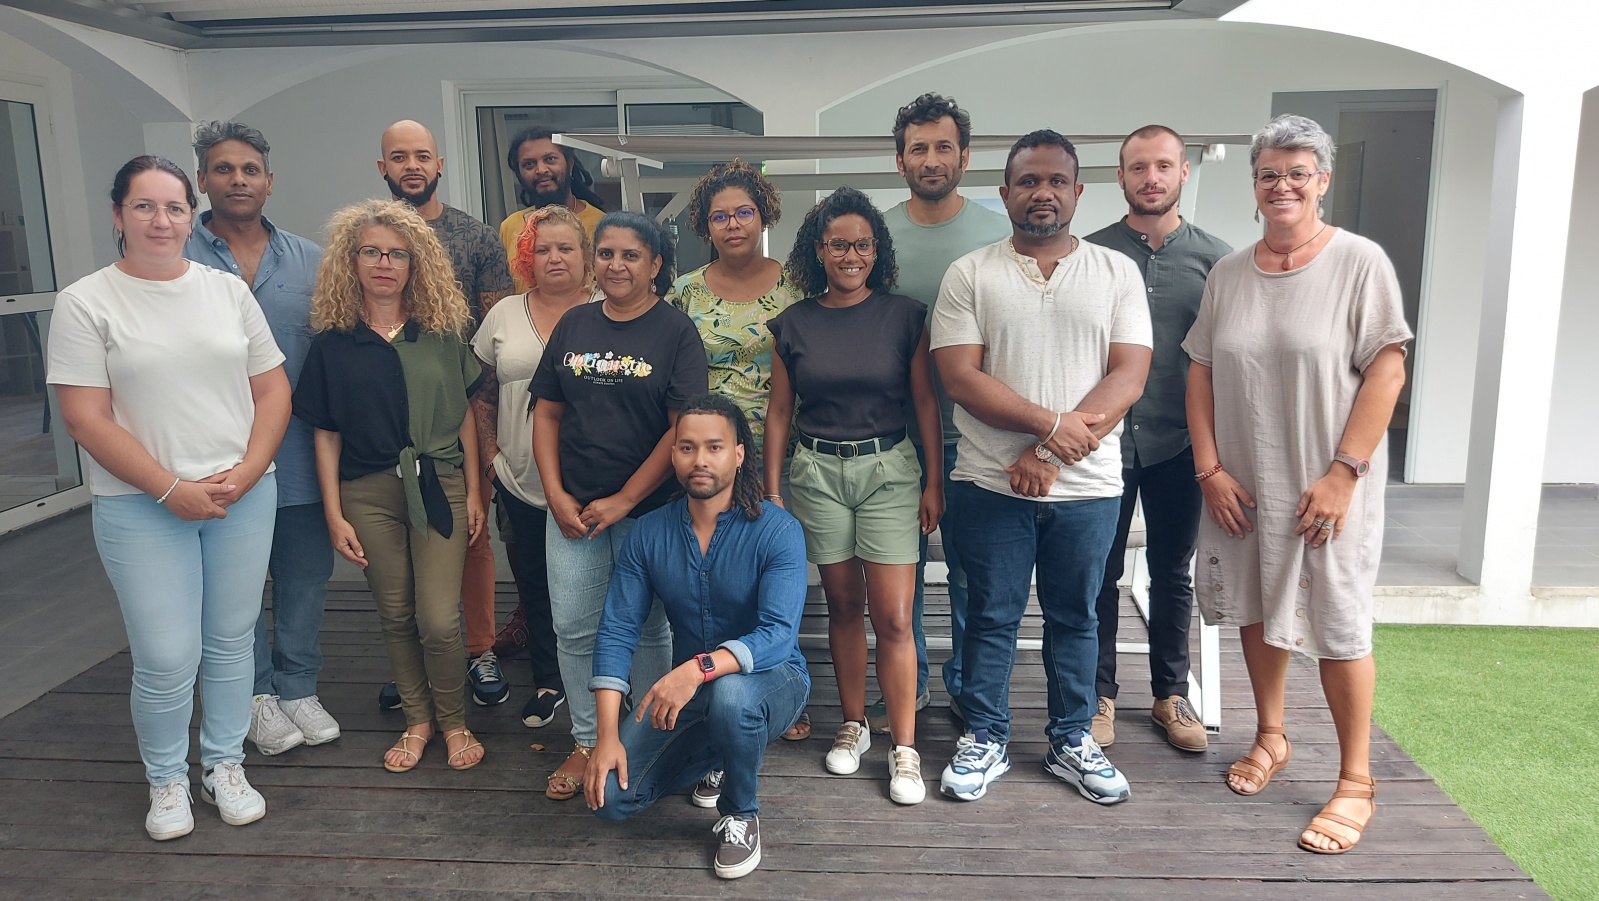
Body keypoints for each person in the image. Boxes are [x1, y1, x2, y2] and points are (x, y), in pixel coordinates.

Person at [1183, 114, 1410, 854]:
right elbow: (1200, 370)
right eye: (1268, 174)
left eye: (1297, 173)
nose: (1281, 185)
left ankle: (1355, 780)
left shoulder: (1358, 262)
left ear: (1322, 180)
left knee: (1338, 623)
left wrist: (1344, 473)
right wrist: (1209, 469)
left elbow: (1387, 369)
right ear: (1254, 184)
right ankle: (1271, 735)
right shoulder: (1228, 273)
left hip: (1327, 482)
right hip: (1243, 481)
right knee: (1253, 602)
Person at [48, 155, 290, 841]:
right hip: (141, 505)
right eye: (144, 206)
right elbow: (85, 417)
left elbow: (273, 389)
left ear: (192, 216)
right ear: (118, 215)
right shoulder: (86, 301)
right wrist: (169, 487)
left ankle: (224, 764)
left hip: (240, 495)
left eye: (175, 207)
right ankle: (166, 777)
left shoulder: (226, 292)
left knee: (231, 640)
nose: (161, 220)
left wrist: (249, 470)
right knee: (165, 655)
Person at [932, 130, 1152, 806]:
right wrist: (1050, 426)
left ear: (1078, 192)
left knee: (1076, 616)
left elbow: (1129, 375)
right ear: (1004, 194)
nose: (1042, 193)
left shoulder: (1116, 272)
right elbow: (960, 378)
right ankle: (986, 736)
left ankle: (1071, 739)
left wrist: (1049, 450)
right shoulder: (970, 273)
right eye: (1028, 181)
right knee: (990, 615)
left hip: (1088, 489)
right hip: (989, 482)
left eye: (1056, 181)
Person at [293, 199, 488, 774]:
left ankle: (454, 720)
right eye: (372, 252)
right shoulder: (333, 343)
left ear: (415, 263)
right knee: (396, 613)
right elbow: (325, 433)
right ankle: (418, 720)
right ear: (350, 261)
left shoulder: (442, 333)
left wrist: (475, 491)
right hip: (367, 491)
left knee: (439, 618)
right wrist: (334, 513)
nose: (385, 264)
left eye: (398, 254)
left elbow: (465, 417)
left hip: (440, 484)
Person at [765, 186, 943, 805]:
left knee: (894, 616)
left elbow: (925, 402)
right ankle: (853, 723)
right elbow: (780, 411)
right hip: (817, 472)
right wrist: (772, 490)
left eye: (863, 245)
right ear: (819, 250)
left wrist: (934, 481)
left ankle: (905, 748)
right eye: (839, 244)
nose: (851, 255)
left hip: (889, 471)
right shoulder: (793, 323)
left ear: (877, 251)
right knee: (842, 606)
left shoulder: (905, 316)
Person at [584, 393, 809, 880]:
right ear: (673, 455)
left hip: (773, 680)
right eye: (687, 448)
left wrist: (698, 668)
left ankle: (740, 812)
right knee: (611, 799)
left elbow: (777, 634)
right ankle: (723, 751)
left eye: (714, 447)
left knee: (732, 698)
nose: (700, 460)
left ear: (739, 453)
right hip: (693, 692)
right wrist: (606, 737)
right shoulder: (649, 533)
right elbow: (618, 629)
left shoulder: (778, 530)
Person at [530, 211, 708, 801]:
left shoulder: (676, 332)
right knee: (574, 627)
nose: (616, 265)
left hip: (649, 511)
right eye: (606, 253)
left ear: (656, 265)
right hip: (573, 512)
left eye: (631, 255)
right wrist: (555, 494)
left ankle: (647, 739)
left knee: (650, 628)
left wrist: (625, 499)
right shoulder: (575, 323)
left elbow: (680, 427)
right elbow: (547, 412)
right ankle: (587, 742)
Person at [185, 120, 339, 758]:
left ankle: (298, 687)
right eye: (223, 169)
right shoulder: (178, 259)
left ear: (270, 182)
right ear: (202, 180)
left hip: (300, 455)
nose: (238, 180)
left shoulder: (311, 260)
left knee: (304, 578)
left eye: (250, 170)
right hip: (212, 456)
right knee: (234, 587)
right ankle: (254, 696)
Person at [1084, 125, 1231, 753]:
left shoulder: (1218, 262)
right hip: (1103, 444)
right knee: (1099, 572)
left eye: (1163, 166)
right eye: (1138, 167)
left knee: (1173, 571)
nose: (1151, 178)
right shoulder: (1089, 255)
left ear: (1183, 172)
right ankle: (1098, 695)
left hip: (1181, 443)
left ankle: (1171, 695)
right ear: (1121, 176)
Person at [874, 93, 1011, 732]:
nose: (931, 159)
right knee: (897, 573)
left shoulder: (997, 234)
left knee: (971, 573)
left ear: (965, 156)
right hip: (890, 436)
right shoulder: (875, 236)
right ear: (900, 159)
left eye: (943, 147)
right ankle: (912, 683)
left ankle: (967, 685)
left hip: (978, 435)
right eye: (919, 148)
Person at [666, 158, 812, 745]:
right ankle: (709, 691)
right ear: (705, 225)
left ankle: (781, 688)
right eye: (720, 216)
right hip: (706, 458)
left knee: (774, 573)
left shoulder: (798, 286)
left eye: (743, 212)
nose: (733, 225)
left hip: (781, 452)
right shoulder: (685, 292)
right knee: (714, 574)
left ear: (764, 215)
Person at [378, 120, 515, 708]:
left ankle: (478, 649)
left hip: (459, 408)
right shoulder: (369, 235)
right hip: (386, 415)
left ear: (440, 165)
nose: (411, 166)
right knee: (399, 538)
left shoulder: (475, 238)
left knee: (471, 535)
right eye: (399, 157)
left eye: (422, 156)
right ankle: (417, 659)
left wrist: (486, 431)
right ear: (382, 167)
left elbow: (494, 338)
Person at [471, 205, 594, 729]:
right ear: (527, 258)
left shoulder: (609, 309)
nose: (554, 257)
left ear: (586, 255)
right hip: (519, 479)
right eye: (542, 249)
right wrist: (491, 458)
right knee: (536, 587)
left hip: (595, 483)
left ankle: (606, 684)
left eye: (566, 247)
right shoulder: (504, 314)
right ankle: (549, 681)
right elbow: (481, 393)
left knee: (599, 588)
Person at [497, 126, 607, 290]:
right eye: (529, 164)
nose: (541, 170)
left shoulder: (601, 224)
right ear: (519, 174)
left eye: (550, 159)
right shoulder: (510, 227)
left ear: (570, 164)